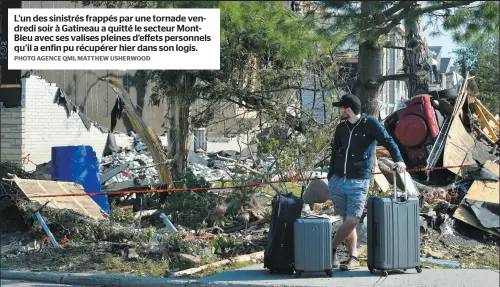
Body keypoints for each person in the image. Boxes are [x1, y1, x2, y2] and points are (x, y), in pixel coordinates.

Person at [327, 94, 406, 271]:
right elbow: (335, 153)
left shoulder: (370, 124)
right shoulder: (341, 128)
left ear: (347, 109)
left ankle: (330, 250)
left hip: (358, 180)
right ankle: (353, 257)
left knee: (352, 222)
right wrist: (330, 176)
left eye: (340, 107)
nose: (339, 110)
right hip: (338, 180)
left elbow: (388, 141)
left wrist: (399, 160)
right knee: (345, 220)